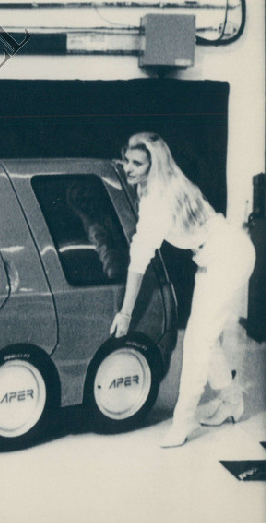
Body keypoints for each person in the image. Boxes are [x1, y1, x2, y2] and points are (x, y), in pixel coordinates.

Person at [109, 132, 255, 448]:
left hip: (227, 256)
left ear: (154, 166)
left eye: (137, 163)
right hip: (216, 254)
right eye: (126, 160)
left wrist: (126, 313)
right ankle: (232, 401)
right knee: (205, 338)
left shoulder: (159, 202)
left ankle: (183, 420)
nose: (129, 168)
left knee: (196, 341)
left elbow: (139, 260)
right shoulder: (166, 180)